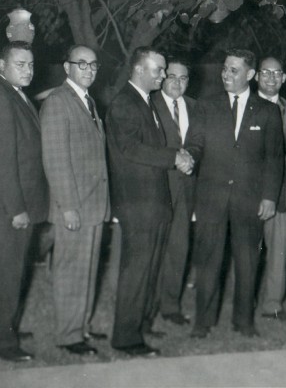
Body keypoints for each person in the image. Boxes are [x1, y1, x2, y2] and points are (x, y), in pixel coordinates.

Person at [185, 48, 284, 339]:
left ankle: (244, 321)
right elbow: (196, 142)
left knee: (248, 262)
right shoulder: (206, 106)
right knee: (208, 262)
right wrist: (189, 155)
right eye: (225, 69)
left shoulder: (268, 111)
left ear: (250, 75)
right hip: (211, 198)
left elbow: (275, 158)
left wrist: (269, 196)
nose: (226, 74)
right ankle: (202, 322)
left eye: (234, 70)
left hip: (249, 200)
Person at [106, 47, 194, 357]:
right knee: (137, 272)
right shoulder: (124, 103)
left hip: (153, 202)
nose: (162, 75)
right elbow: (131, 149)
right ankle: (126, 338)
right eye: (158, 69)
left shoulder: (145, 102)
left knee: (150, 269)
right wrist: (174, 158)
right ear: (140, 70)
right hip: (138, 204)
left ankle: (140, 326)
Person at [0, 41, 49, 362]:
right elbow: (0, 162)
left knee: (10, 273)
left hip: (14, 205)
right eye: (21, 64)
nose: (28, 70)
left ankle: (5, 330)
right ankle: (1, 343)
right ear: (2, 66)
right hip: (7, 208)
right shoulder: (1, 99)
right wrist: (17, 208)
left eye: (31, 64)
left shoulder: (13, 94)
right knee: (3, 276)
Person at [40, 45, 109, 357]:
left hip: (93, 204)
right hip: (75, 205)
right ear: (66, 67)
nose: (89, 70)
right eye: (81, 64)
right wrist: (67, 206)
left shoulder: (88, 101)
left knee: (87, 270)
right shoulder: (58, 102)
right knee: (71, 271)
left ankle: (80, 325)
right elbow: (55, 159)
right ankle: (68, 335)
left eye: (93, 64)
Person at [151, 57, 197, 326]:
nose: (177, 82)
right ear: (162, 77)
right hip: (157, 186)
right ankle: (149, 304)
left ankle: (170, 306)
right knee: (154, 248)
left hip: (186, 188)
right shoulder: (149, 104)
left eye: (183, 78)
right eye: (172, 76)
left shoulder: (195, 107)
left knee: (179, 247)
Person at [255, 56, 286, 321]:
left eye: (276, 73)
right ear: (256, 76)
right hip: (248, 193)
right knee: (248, 250)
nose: (271, 78)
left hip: (282, 193)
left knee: (279, 250)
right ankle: (244, 302)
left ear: (284, 78)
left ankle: (272, 304)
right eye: (265, 73)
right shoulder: (243, 106)